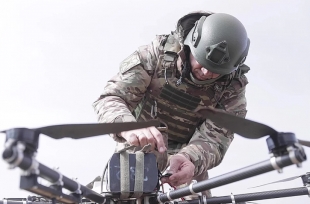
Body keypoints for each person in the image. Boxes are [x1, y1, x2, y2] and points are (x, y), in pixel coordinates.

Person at [93, 11, 250, 197]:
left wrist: (189, 158)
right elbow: (111, 98)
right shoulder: (154, 56)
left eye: (217, 70)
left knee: (194, 198)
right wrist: (129, 126)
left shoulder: (232, 88)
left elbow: (216, 137)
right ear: (191, 46)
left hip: (189, 158)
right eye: (202, 62)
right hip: (140, 148)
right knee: (124, 194)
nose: (207, 72)